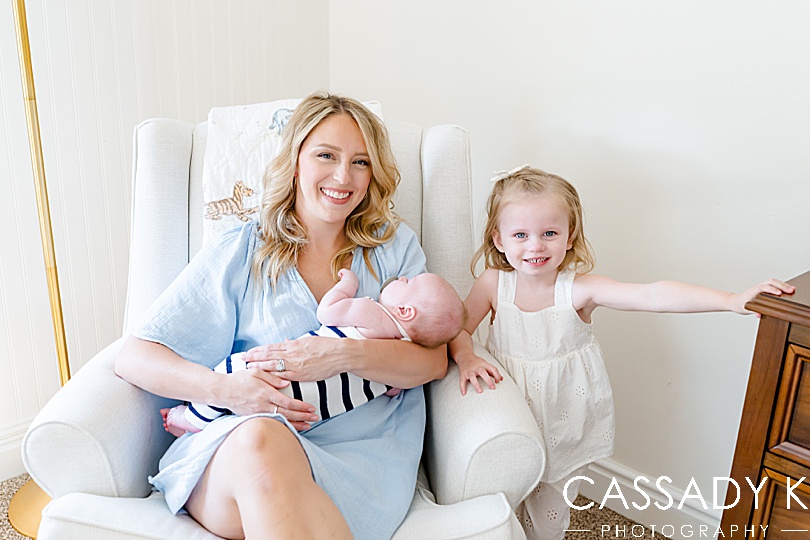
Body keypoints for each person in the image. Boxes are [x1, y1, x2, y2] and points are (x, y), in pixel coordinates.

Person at [114, 91, 449, 540]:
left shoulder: (392, 247)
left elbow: (432, 361)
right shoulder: (242, 250)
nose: (342, 176)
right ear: (295, 161)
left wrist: (341, 356)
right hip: (239, 449)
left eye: (361, 162)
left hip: (364, 462)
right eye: (325, 155)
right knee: (262, 441)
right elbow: (133, 357)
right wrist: (230, 391)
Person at [448, 165, 796, 540]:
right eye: (521, 234)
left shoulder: (579, 290)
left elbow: (653, 294)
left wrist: (731, 300)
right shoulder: (493, 284)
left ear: (569, 237)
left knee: (549, 516)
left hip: (565, 423)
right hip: (511, 414)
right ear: (499, 239)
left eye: (549, 233)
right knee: (500, 507)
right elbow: (458, 330)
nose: (535, 246)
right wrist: (467, 357)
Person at [162, 268, 466, 436]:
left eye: (408, 281)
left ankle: (191, 418)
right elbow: (391, 391)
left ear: (405, 310)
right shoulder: (402, 363)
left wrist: (348, 285)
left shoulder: (373, 313)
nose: (401, 278)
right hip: (315, 410)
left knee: (237, 370)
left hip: (290, 375)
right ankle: (202, 419)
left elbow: (328, 313)